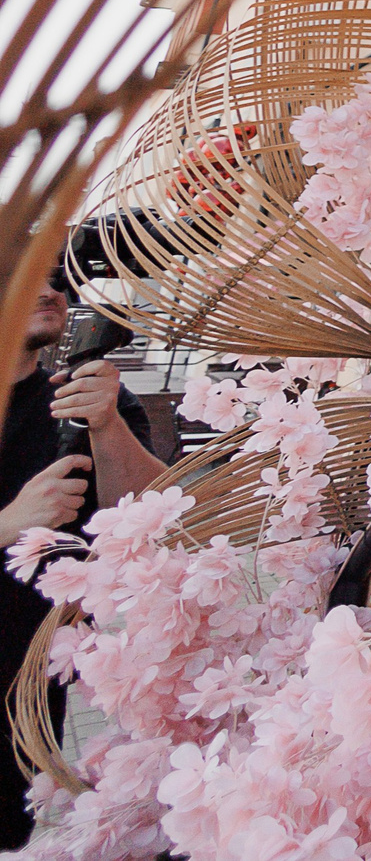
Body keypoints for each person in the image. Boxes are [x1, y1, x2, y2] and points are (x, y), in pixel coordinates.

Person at [0, 260, 160, 849]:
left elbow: (143, 515)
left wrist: (107, 426)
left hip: (28, 678)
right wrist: (9, 522)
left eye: (57, 281)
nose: (51, 292)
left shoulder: (85, 400)